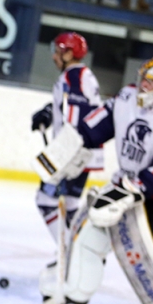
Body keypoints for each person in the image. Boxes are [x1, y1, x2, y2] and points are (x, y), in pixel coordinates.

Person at [39, 56, 153, 304]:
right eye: (141, 78)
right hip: (128, 182)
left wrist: (139, 186)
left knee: (145, 247)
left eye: (148, 81)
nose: (141, 84)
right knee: (91, 234)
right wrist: (67, 148)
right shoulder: (126, 98)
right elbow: (96, 125)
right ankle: (76, 293)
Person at [30, 32, 102, 241]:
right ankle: (82, 252)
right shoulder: (82, 75)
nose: (54, 56)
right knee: (70, 205)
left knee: (45, 199)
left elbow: (77, 114)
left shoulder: (73, 77)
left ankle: (69, 250)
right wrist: (49, 112)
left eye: (59, 52)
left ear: (70, 54)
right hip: (84, 153)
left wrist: (63, 154)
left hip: (73, 153)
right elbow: (73, 108)